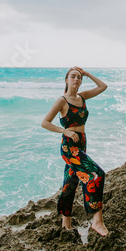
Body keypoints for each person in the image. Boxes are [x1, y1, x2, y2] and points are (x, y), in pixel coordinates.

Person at [41, 66, 108, 236]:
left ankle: (66, 222)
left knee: (71, 181)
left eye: (79, 77)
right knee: (96, 174)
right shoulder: (61, 101)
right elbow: (45, 122)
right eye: (73, 77)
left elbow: (103, 87)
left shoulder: (82, 97)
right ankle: (97, 222)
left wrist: (87, 74)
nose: (76, 80)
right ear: (66, 80)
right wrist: (65, 131)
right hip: (69, 146)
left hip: (82, 143)